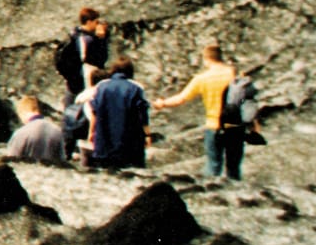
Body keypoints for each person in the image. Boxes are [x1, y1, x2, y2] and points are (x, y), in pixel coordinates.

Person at [152, 42, 242, 182]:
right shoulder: (233, 73)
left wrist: (162, 103)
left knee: (213, 167)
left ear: (206, 59)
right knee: (234, 169)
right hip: (234, 125)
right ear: (220, 57)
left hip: (214, 125)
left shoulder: (202, 79)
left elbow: (181, 99)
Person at [87, 56, 150, 170]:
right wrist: (147, 135)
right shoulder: (136, 89)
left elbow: (94, 113)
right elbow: (143, 115)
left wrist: (91, 133)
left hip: (104, 145)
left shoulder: (101, 87)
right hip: (130, 148)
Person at [55, 7, 110, 106]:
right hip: (82, 81)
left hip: (73, 82)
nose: (98, 25)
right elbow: (98, 60)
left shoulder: (74, 34)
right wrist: (101, 39)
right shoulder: (86, 39)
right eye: (96, 22)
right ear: (89, 22)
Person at [3, 94, 67, 163]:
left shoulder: (21, 133)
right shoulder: (57, 131)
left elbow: (12, 162)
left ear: (22, 112)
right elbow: (62, 161)